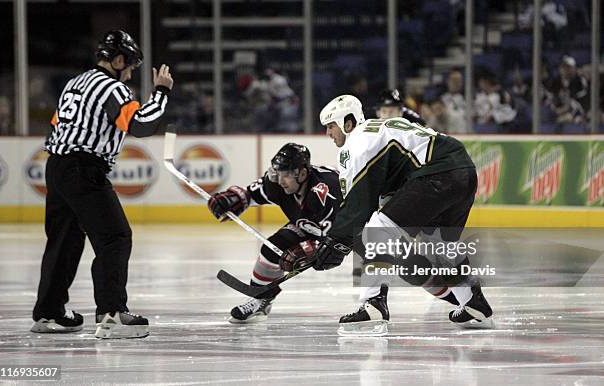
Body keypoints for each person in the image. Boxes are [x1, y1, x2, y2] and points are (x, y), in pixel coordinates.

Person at [31, 30, 173, 339]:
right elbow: (142, 125)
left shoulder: (75, 83)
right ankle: (111, 314)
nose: (131, 72)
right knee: (115, 237)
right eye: (131, 66)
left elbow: (57, 126)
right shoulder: (112, 88)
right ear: (119, 60)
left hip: (56, 165)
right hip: (84, 167)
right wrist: (161, 92)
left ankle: (49, 312)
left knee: (64, 241)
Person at [315, 95, 494, 335]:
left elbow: (358, 206)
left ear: (348, 123)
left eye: (331, 126)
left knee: (377, 229)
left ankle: (373, 302)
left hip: (436, 174)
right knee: (439, 245)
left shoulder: (356, 144)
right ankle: (475, 306)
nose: (328, 133)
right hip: (462, 169)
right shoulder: (379, 129)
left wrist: (336, 241)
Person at [207, 143, 342, 323]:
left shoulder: (327, 191)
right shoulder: (277, 184)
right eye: (279, 173)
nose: (280, 180)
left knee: (376, 265)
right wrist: (232, 201)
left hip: (358, 225)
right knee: (272, 249)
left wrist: (315, 249)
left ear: (302, 174)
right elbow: (249, 195)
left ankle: (374, 303)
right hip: (310, 225)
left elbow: (340, 234)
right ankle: (260, 299)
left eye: (286, 175)